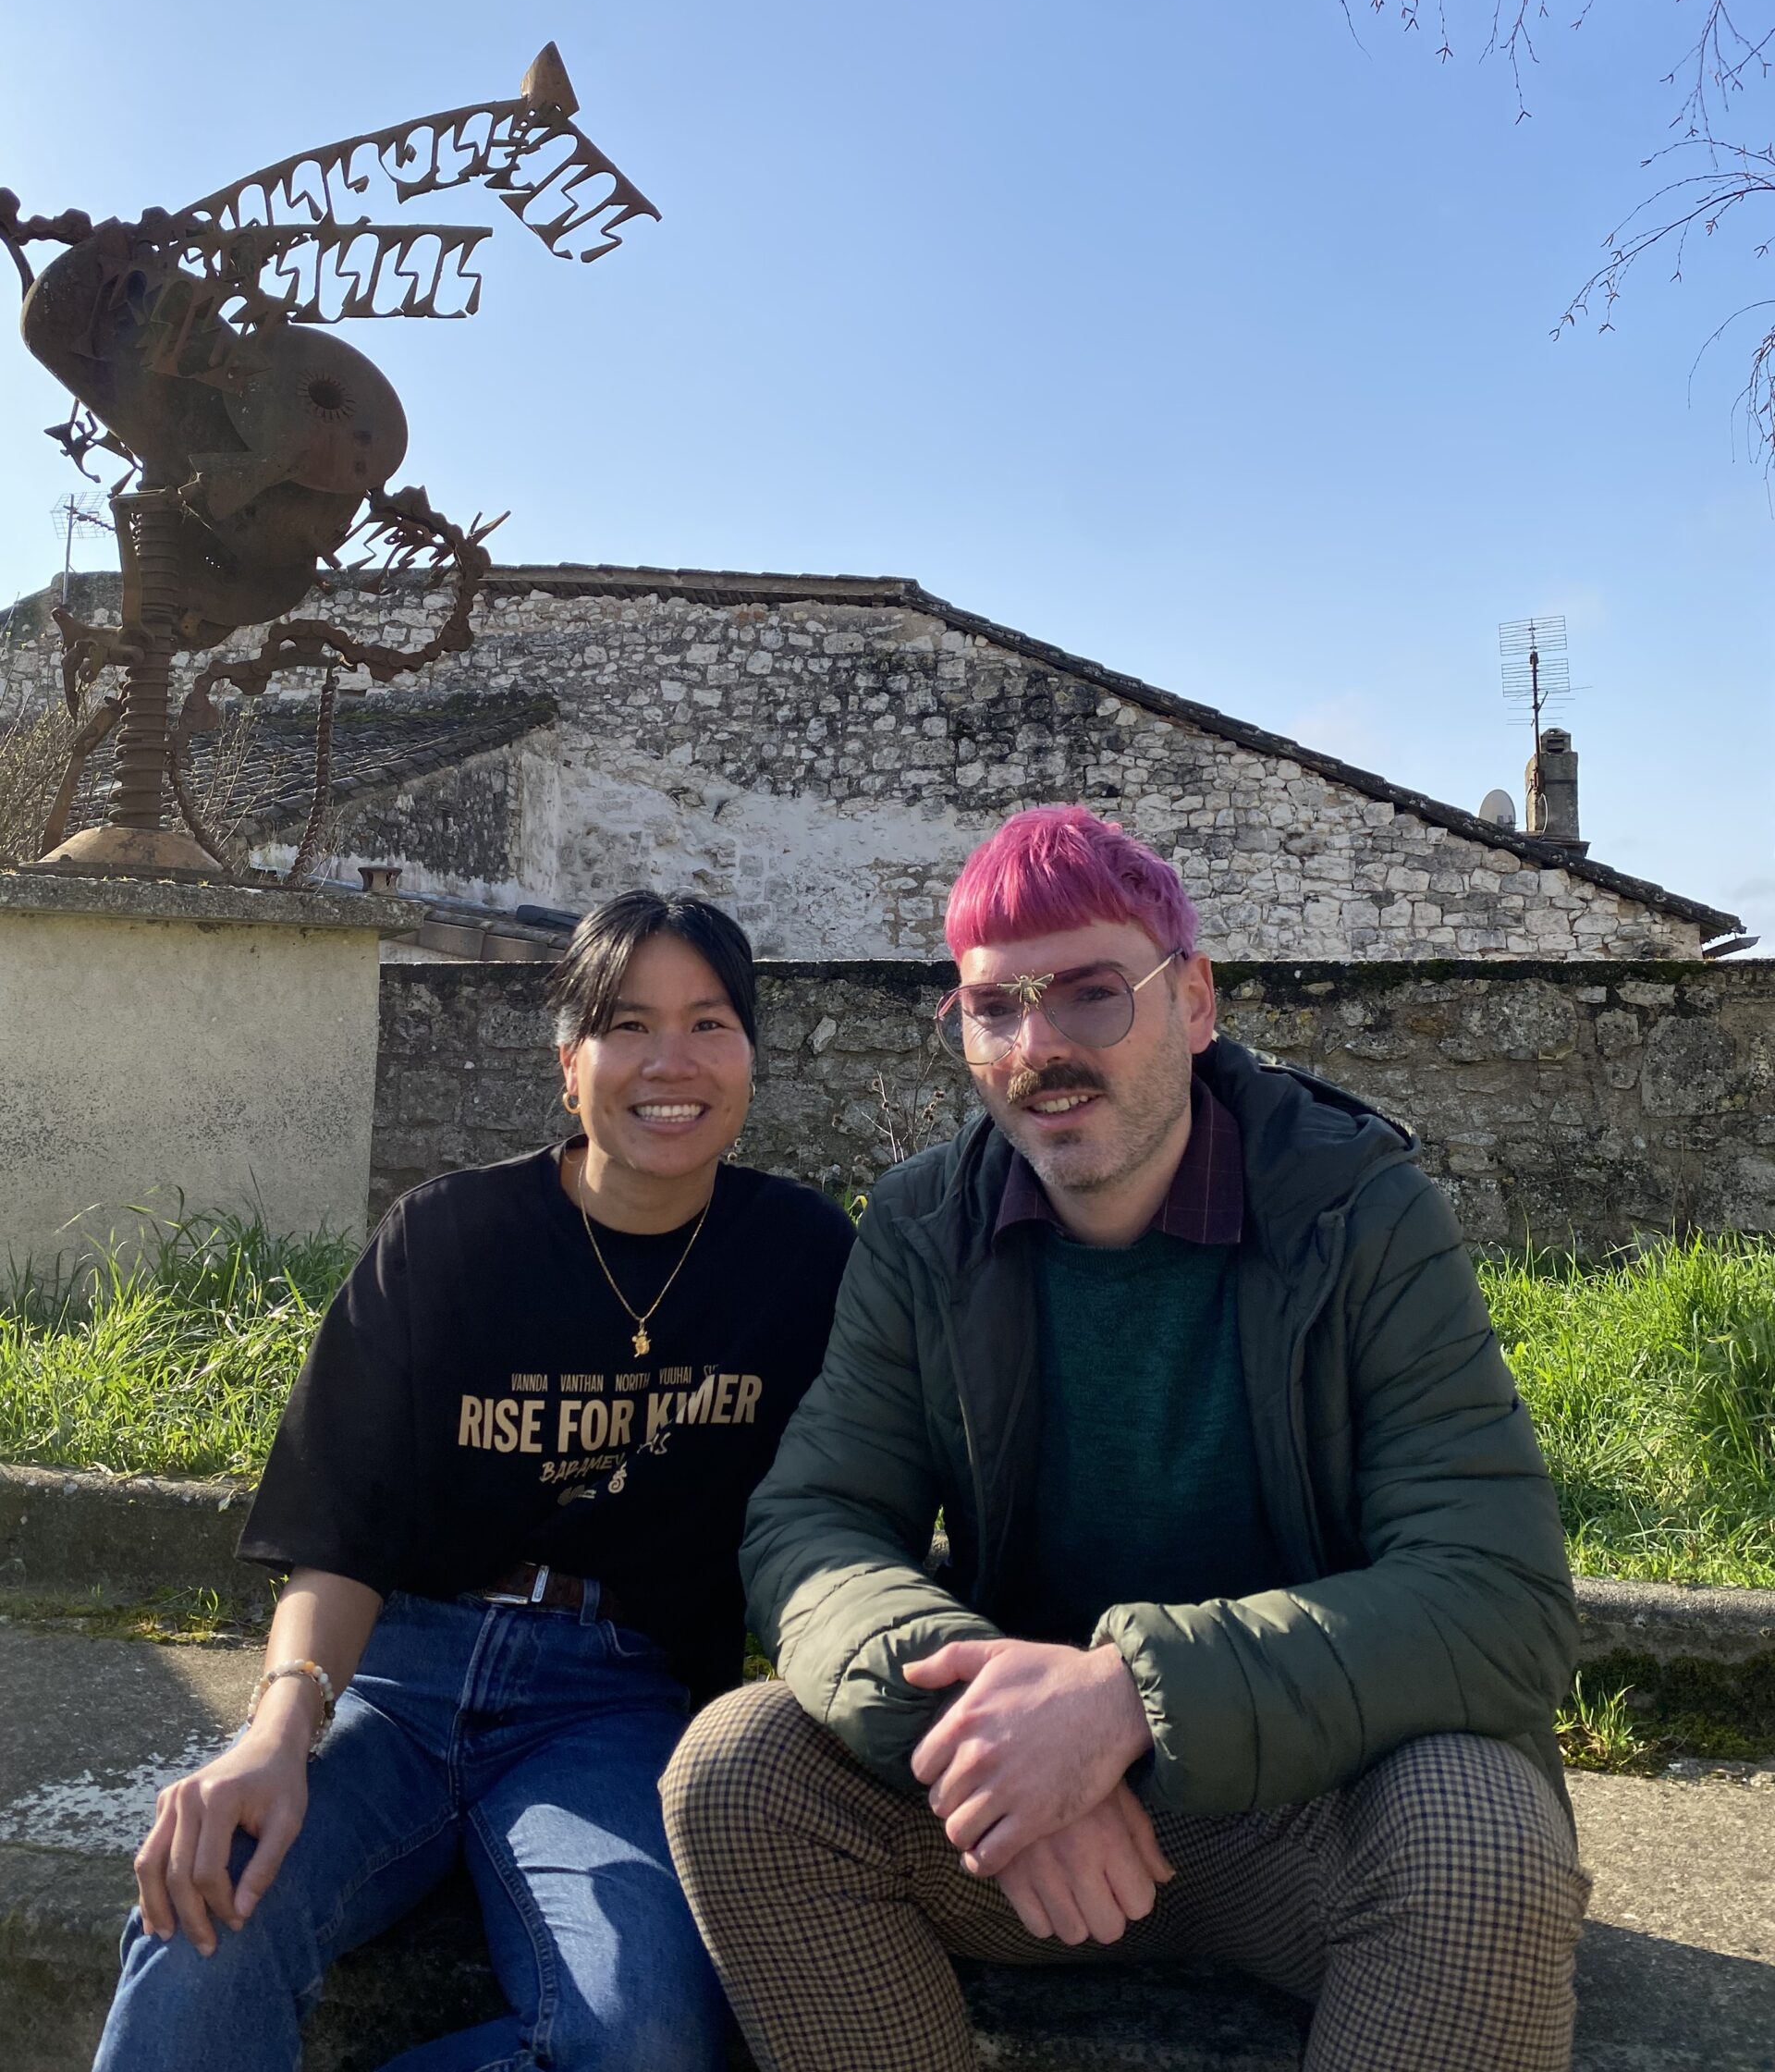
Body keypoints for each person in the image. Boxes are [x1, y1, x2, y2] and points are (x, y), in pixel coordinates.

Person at [662, 806, 1592, 2072]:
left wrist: (1129, 1703)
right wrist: (993, 1736)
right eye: (996, 1009)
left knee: (1485, 1832)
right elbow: (814, 1523)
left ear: (1194, 1001)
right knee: (734, 1773)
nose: (1039, 1046)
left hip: (1316, 1812)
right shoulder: (925, 1226)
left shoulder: (1358, 1213)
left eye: (1094, 994)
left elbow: (1499, 1597)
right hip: (1022, 1829)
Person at [93, 890, 854, 2072]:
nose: (671, 1061)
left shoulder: (802, 1258)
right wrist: (275, 1730)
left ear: (751, 1055)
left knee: (647, 2038)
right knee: (205, 1918)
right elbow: (341, 1523)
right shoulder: (447, 1237)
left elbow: (853, 1496)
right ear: (569, 1066)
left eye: (709, 1023)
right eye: (627, 1024)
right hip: (399, 1675)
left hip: (618, 1703)